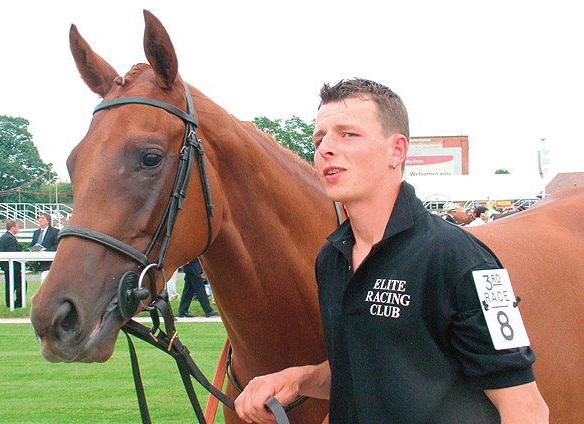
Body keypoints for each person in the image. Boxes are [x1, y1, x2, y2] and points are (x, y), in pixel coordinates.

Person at [235, 79, 548, 423]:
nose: (325, 148)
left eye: (347, 134)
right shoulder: (331, 259)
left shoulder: (461, 260)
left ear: (397, 151)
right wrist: (296, 378)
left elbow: (526, 408)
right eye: (319, 138)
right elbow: (362, 374)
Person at [0, 220, 23, 308]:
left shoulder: (6, 236)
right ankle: (18, 303)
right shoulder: (9, 238)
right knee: (20, 284)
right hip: (12, 267)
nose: (18, 229)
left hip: (8, 267)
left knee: (10, 285)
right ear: (13, 228)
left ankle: (11, 303)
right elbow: (13, 252)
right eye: (17, 227)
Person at [30, 213, 59, 283]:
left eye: (42, 218)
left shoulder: (55, 231)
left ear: (48, 221)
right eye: (39, 218)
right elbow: (33, 244)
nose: (40, 220)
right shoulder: (36, 232)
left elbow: (57, 245)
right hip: (39, 263)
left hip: (50, 263)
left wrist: (46, 251)